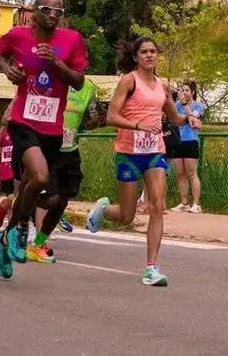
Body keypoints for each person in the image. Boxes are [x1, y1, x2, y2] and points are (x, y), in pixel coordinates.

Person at [87, 37, 201, 287]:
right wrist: (138, 125)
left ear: (157, 55)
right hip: (128, 153)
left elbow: (173, 117)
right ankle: (103, 209)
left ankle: (151, 267)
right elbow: (111, 116)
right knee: (126, 215)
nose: (149, 55)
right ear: (136, 57)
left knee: (157, 206)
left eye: (153, 51)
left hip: (155, 153)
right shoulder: (129, 81)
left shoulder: (163, 85)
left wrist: (189, 119)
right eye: (144, 52)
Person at [0, 0, 87, 281]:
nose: (53, 16)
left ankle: (5, 237)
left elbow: (79, 82)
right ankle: (21, 228)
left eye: (59, 12)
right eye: (47, 10)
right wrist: (7, 69)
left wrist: (57, 62)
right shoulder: (18, 36)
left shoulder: (72, 40)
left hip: (53, 128)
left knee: (34, 185)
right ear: (35, 11)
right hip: (23, 121)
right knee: (40, 177)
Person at [27, 77, 100, 263]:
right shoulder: (52, 79)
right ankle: (24, 212)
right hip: (48, 149)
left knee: (61, 203)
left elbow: (88, 124)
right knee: (51, 198)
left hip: (70, 152)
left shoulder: (88, 87)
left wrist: (93, 120)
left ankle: (39, 242)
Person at [170, 82, 204, 213]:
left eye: (187, 90)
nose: (184, 93)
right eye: (182, 90)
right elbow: (172, 118)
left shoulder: (198, 106)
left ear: (192, 92)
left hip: (191, 141)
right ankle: (184, 203)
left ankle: (196, 204)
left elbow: (193, 119)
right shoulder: (176, 105)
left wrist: (185, 106)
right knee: (180, 174)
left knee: (191, 174)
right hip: (178, 141)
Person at [0, 101, 15, 230]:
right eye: (6, 113)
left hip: (18, 171)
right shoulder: (4, 131)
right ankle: (11, 226)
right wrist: (3, 127)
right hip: (6, 171)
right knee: (10, 199)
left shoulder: (20, 131)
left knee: (16, 199)